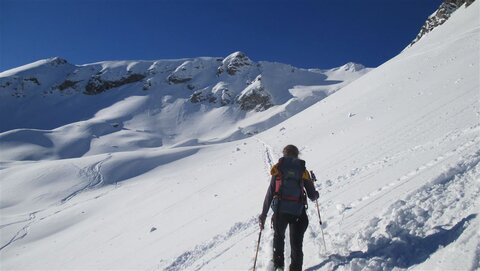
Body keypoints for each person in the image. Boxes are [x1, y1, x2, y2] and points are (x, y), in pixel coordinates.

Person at [259, 144, 319, 271]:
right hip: (298, 212)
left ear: (284, 154)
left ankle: (279, 266)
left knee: (279, 237)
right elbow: (312, 196)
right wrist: (315, 190)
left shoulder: (278, 168)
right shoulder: (302, 170)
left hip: (280, 211)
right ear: (297, 155)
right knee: (296, 244)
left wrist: (263, 215)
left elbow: (270, 192)